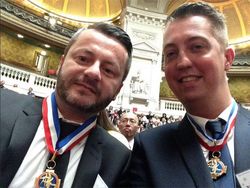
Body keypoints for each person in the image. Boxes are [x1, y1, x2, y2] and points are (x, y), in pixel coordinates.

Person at [128, 2, 250, 188]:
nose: (182, 62)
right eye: (171, 53)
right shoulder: (149, 149)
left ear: (228, 58)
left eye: (197, 47)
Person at [0, 22, 133, 188]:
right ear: (61, 64)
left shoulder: (119, 160)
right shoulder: (2, 107)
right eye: (83, 59)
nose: (93, 72)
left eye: (108, 70)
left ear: (118, 90)